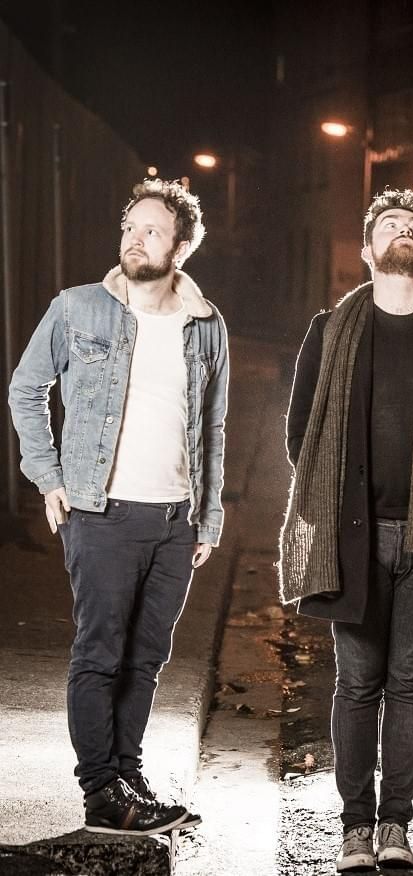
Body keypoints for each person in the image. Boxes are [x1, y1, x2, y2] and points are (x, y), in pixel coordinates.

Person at [279, 187, 413, 870]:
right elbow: (300, 436)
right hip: (356, 535)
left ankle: (395, 828)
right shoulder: (331, 330)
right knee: (356, 682)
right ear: (368, 249)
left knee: (408, 683)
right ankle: (354, 829)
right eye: (391, 226)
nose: (403, 233)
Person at [8, 178, 228, 836]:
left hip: (175, 521)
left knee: (147, 657)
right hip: (100, 514)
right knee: (99, 652)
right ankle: (101, 791)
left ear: (182, 246)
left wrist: (208, 515)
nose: (135, 238)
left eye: (152, 230)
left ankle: (127, 774)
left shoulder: (206, 324)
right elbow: (26, 389)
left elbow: (214, 427)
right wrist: (48, 477)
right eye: (130, 226)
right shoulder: (78, 309)